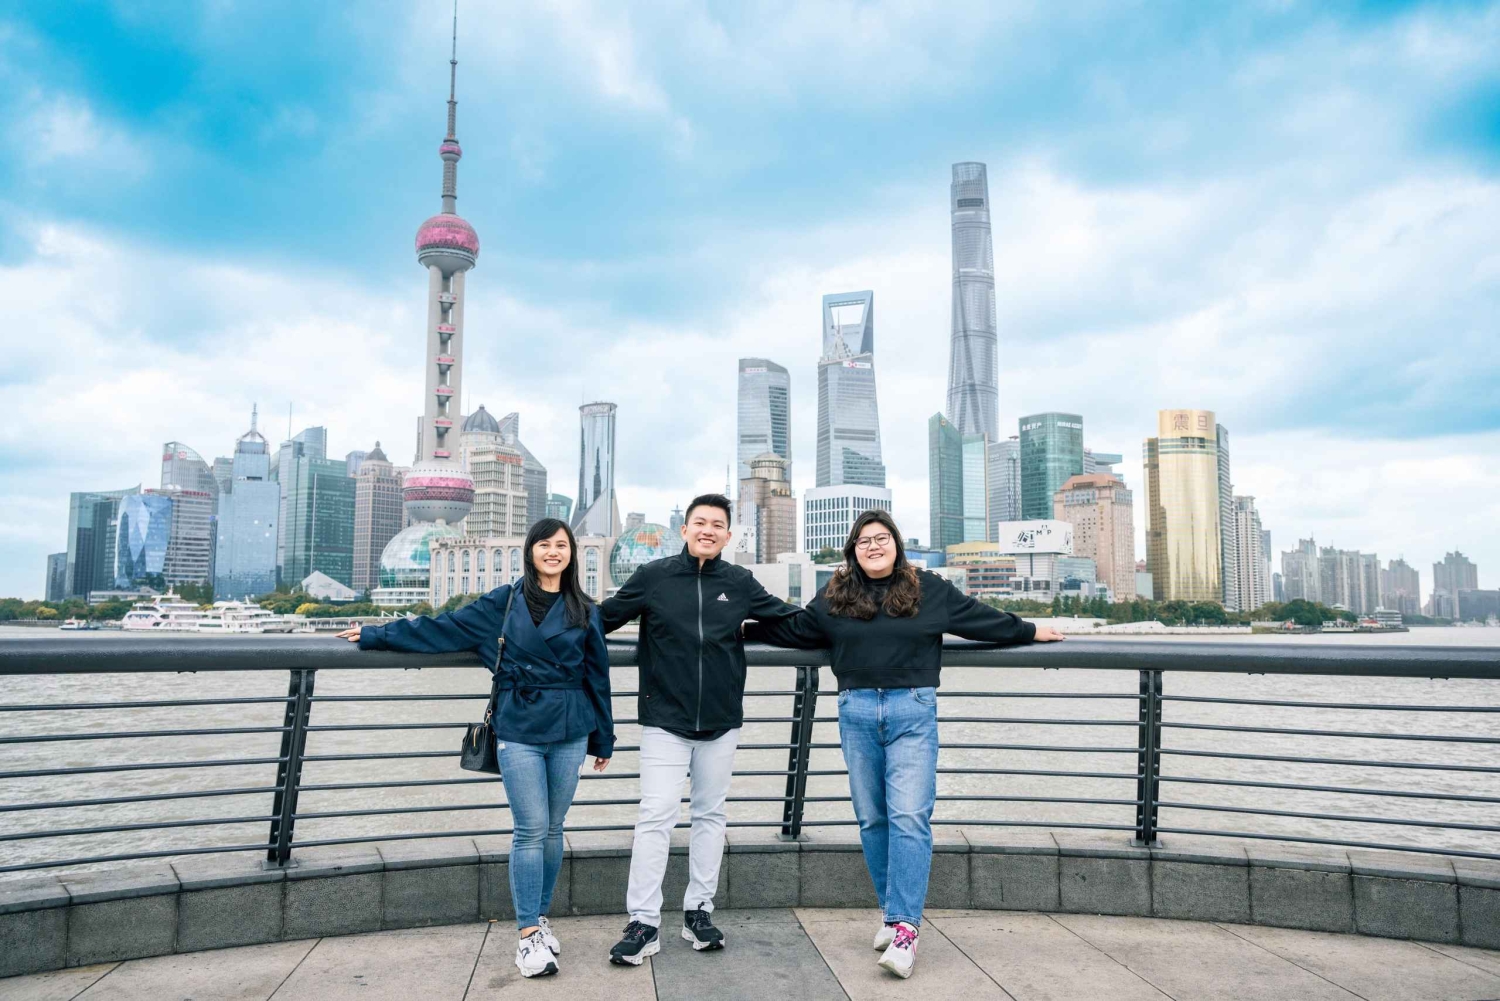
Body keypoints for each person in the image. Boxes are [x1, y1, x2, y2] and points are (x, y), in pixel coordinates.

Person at [745, 509, 1063, 979]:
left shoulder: (927, 588)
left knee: (910, 817)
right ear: (853, 551)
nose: (873, 547)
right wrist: (742, 629)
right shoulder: (835, 595)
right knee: (873, 819)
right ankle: (893, 915)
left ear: (896, 543)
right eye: (863, 541)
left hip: (912, 710)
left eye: (882, 538)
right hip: (855, 711)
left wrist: (1030, 630)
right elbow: (793, 628)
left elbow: (981, 620)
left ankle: (907, 929)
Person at [336, 518, 613, 980]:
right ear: (530, 551)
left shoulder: (585, 609)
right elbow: (439, 629)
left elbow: (598, 678)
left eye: (562, 545)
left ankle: (540, 917)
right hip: (518, 727)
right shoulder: (502, 603)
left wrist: (603, 738)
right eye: (545, 544)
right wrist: (375, 634)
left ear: (572, 554)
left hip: (571, 729)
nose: (553, 552)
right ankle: (528, 935)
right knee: (530, 829)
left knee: (553, 828)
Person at [598, 493, 801, 966]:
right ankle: (643, 922)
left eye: (717, 525)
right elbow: (600, 620)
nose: (708, 530)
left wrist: (761, 630)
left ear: (728, 536)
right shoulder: (654, 577)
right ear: (685, 530)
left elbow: (788, 619)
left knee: (710, 816)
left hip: (721, 721)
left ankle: (699, 912)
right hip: (664, 722)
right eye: (700, 523)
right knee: (656, 816)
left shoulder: (739, 583)